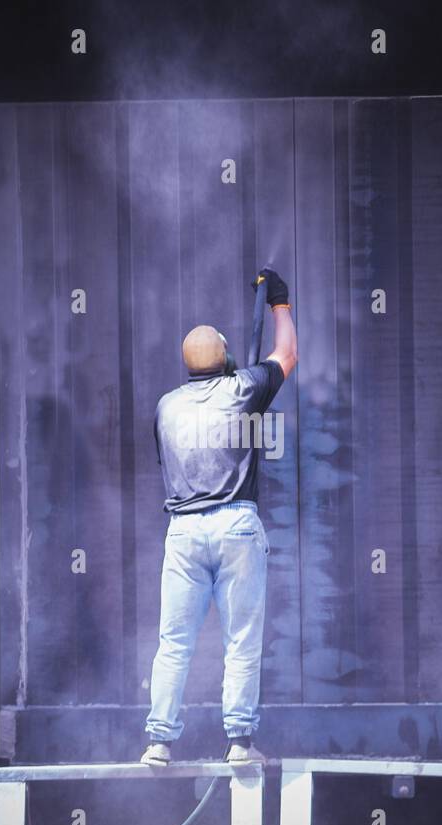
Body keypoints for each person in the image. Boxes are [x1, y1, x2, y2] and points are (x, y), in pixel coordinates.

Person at [140, 268, 297, 766]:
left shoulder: (167, 407)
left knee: (174, 644)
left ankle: (159, 741)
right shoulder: (244, 388)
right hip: (234, 527)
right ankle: (239, 743)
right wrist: (280, 304)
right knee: (242, 642)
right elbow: (287, 355)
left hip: (183, 531)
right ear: (227, 358)